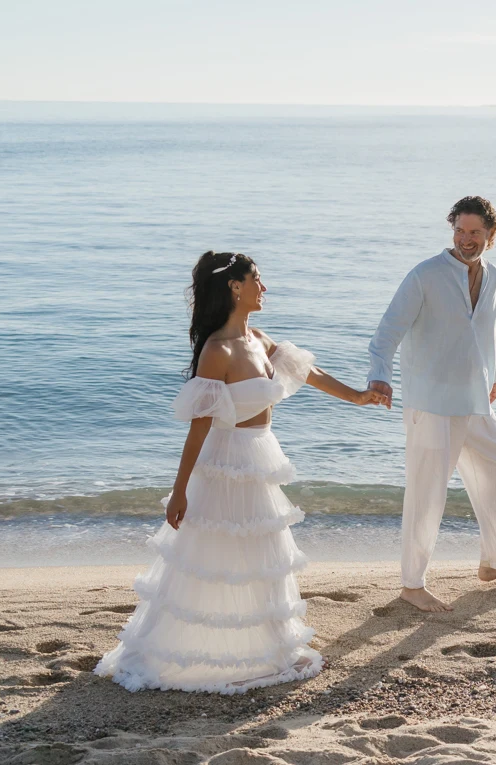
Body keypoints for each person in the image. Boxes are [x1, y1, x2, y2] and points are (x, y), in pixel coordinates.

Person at [96, 251, 384, 693]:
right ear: (235, 286)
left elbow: (308, 372)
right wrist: (179, 492)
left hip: (260, 458)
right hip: (225, 464)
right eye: (257, 279)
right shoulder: (217, 351)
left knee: (261, 556)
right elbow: (198, 428)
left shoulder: (259, 339)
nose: (263, 287)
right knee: (214, 558)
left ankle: (265, 648)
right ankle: (203, 653)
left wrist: (358, 397)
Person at [366, 196, 496, 612]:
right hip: (431, 402)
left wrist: (493, 374)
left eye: (475, 232)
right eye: (459, 230)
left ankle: (494, 563)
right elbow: (387, 331)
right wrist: (379, 376)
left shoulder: (494, 277)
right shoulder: (425, 275)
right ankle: (412, 584)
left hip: (475, 398)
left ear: (490, 235)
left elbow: (489, 329)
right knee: (427, 495)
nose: (465, 239)